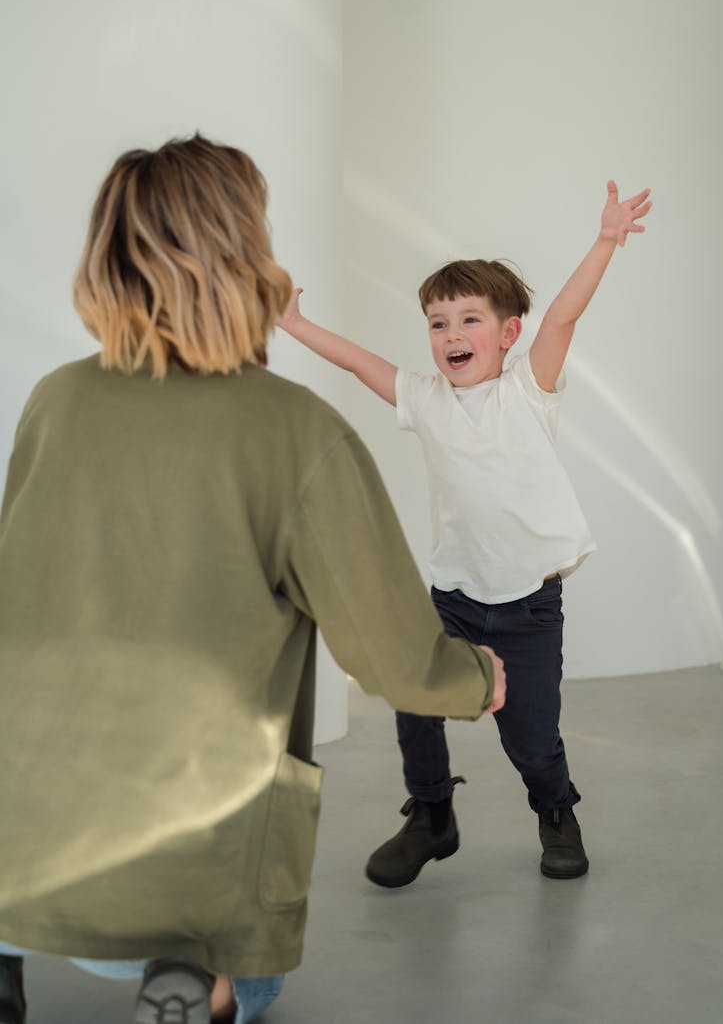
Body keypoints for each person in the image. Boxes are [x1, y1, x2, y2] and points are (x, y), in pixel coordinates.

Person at [0, 135, 506, 1024]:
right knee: (240, 926)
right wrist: (473, 678)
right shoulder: (294, 431)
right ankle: (203, 974)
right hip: (190, 838)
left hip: (29, 820)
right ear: (247, 259)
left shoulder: (52, 400)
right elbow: (385, 645)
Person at [277, 180, 651, 888]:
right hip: (451, 595)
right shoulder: (425, 398)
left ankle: (555, 808)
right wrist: (295, 325)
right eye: (437, 323)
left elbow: (564, 318)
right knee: (416, 699)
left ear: (507, 333)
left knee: (532, 739)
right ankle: (431, 814)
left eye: (469, 320)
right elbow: (361, 362)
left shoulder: (526, 392)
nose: (451, 336)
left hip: (527, 605)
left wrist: (604, 239)